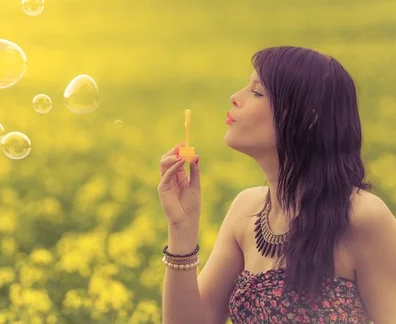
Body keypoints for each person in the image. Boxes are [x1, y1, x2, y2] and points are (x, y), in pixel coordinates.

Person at [158, 46, 396, 324]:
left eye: (257, 92)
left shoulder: (362, 217)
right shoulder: (245, 210)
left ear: (309, 117)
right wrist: (181, 228)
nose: (235, 98)